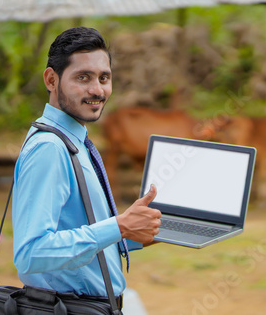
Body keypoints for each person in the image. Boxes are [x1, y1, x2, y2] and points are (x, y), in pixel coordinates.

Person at [12, 26, 162, 307]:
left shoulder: (76, 142)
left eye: (104, 78)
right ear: (51, 79)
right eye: (83, 78)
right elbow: (32, 253)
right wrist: (119, 226)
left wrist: (136, 231)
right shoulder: (50, 148)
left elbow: (82, 234)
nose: (97, 90)